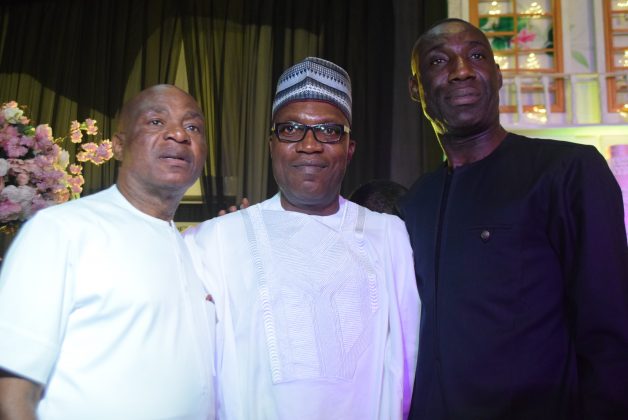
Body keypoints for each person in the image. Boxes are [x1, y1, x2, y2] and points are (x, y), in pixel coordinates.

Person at [401, 18, 628, 419]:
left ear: (498, 74)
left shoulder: (566, 171)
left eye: (476, 55)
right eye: (439, 61)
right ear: (416, 88)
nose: (462, 70)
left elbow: (610, 331)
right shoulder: (416, 202)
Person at [184, 57, 420, 420]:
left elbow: (408, 359)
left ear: (349, 148)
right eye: (291, 129)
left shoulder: (389, 236)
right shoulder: (215, 241)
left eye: (329, 131)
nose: (309, 145)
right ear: (271, 144)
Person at [0, 84, 216, 419]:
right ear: (118, 145)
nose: (179, 134)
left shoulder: (192, 250)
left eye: (193, 126)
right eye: (156, 122)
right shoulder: (62, 230)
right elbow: (11, 396)